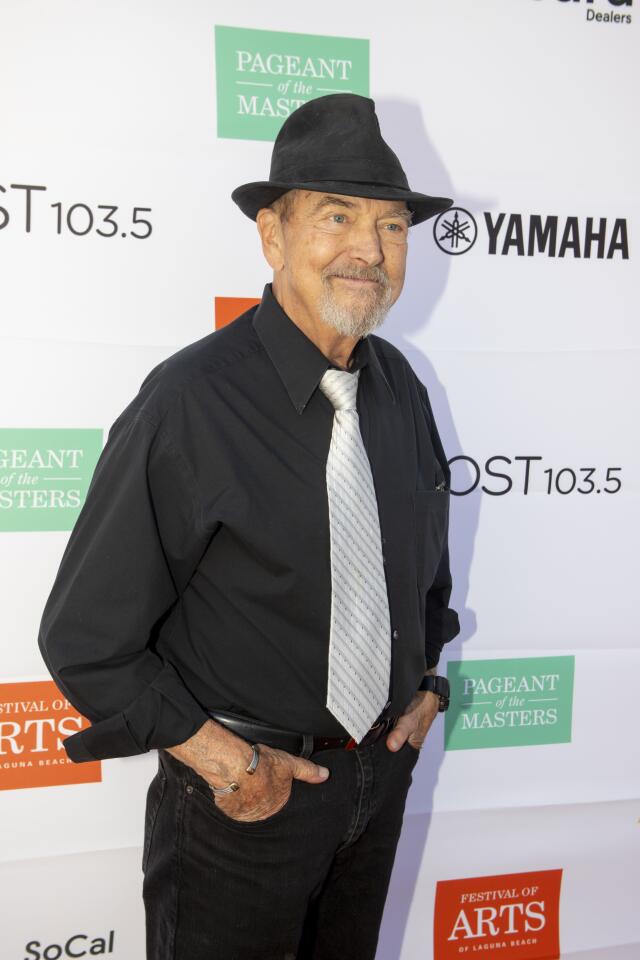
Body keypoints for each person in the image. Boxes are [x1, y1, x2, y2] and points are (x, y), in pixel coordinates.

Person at [38, 93, 460, 959]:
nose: (367, 250)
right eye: (335, 217)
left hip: (377, 787)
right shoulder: (189, 404)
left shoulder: (400, 391)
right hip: (242, 806)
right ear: (272, 235)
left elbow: (423, 576)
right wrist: (230, 765)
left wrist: (426, 683)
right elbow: (85, 639)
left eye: (390, 227)